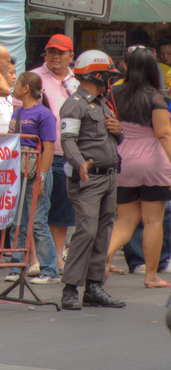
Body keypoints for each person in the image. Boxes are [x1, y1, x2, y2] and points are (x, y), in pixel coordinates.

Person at [58, 49, 125, 311]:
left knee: (103, 231)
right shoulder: (74, 103)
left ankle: (94, 287)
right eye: (107, 77)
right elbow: (67, 140)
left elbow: (111, 138)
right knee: (86, 231)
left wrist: (119, 132)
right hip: (88, 179)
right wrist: (79, 163)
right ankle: (70, 289)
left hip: (109, 177)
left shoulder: (103, 104)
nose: (109, 82)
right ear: (97, 75)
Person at [104, 47, 171, 289]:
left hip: (123, 159)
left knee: (125, 219)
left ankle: (105, 254)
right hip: (153, 162)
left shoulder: (113, 93)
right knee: (153, 221)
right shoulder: (156, 97)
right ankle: (151, 275)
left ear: (126, 67)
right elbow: (164, 133)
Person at [9, 71, 60, 284]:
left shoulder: (44, 115)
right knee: (17, 222)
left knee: (38, 222)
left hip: (36, 173)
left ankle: (50, 271)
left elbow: (48, 149)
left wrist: (41, 176)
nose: (13, 87)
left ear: (26, 88)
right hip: (18, 173)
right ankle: (16, 267)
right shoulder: (18, 113)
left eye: (16, 84)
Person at [34, 35, 79, 271]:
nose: (55, 56)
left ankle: (57, 258)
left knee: (61, 212)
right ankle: (35, 260)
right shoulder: (34, 77)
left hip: (67, 154)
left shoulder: (77, 81)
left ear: (71, 56)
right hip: (39, 154)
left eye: (60, 53)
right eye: (51, 51)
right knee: (37, 210)